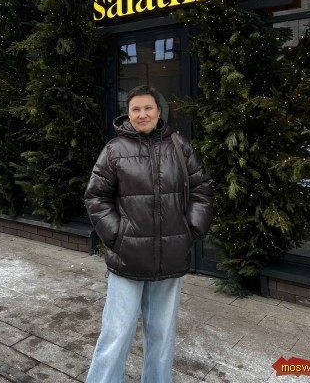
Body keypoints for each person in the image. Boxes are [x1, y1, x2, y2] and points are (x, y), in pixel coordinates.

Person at [84, 85, 213, 383]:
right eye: (136, 109)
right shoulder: (114, 150)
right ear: (128, 114)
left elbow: (202, 189)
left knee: (162, 335)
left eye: (148, 108)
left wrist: (190, 231)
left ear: (158, 111)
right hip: (127, 259)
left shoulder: (180, 146)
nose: (142, 114)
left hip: (170, 259)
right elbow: (96, 197)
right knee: (116, 334)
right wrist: (117, 237)